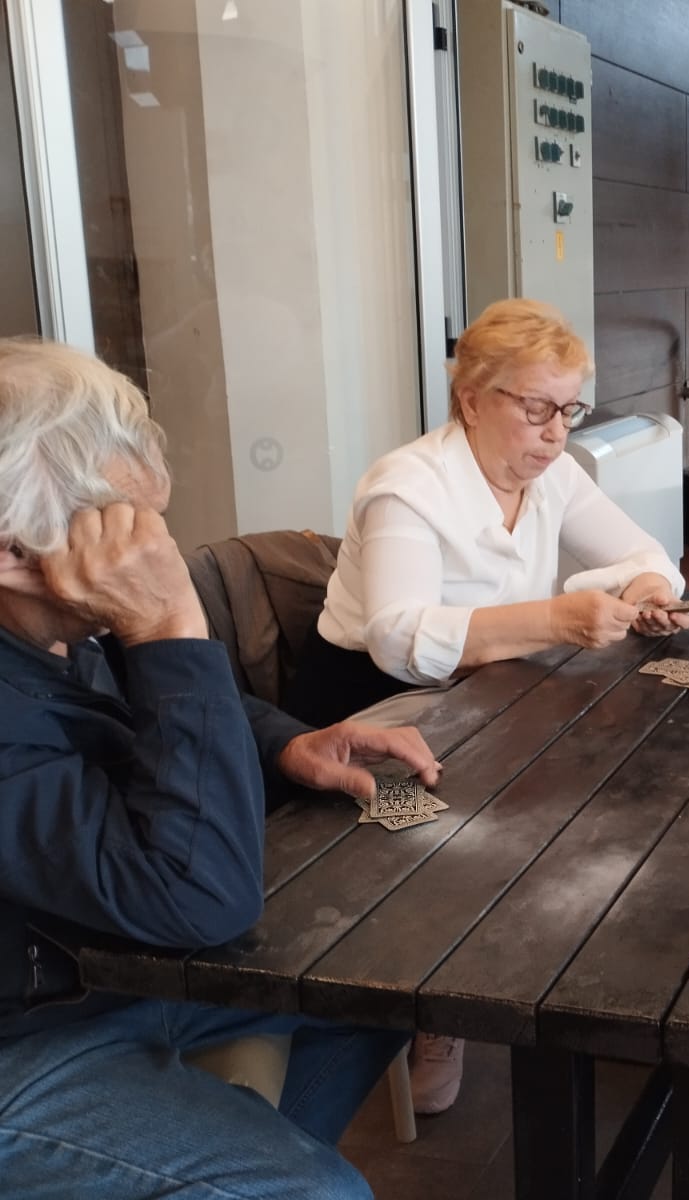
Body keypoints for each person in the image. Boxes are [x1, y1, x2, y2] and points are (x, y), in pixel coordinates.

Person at [0, 338, 443, 1199]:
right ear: (14, 550)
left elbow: (153, 706)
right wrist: (168, 624)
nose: (158, 552)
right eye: (126, 532)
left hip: (109, 970)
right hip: (30, 1031)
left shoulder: (55, 624)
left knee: (388, 988)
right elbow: (196, 898)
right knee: (320, 1193)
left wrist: (282, 744)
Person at [285, 297, 687, 1111]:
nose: (555, 433)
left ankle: (547, 965)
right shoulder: (407, 487)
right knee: (467, 840)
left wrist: (647, 588)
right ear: (470, 399)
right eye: (536, 408)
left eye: (569, 411)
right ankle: (436, 1005)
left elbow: (647, 553)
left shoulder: (551, 474)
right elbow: (397, 637)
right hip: (372, 710)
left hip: (489, 693)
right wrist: (554, 620)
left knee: (604, 776)